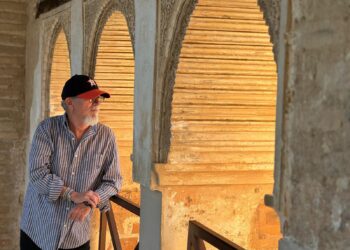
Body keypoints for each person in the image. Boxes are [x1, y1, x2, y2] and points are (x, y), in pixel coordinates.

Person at [20, 75, 122, 250]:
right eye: (91, 99)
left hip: (77, 237)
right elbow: (37, 173)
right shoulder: (47, 129)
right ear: (69, 102)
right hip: (39, 232)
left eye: (99, 99)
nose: (97, 103)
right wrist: (73, 195)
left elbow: (114, 181)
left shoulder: (107, 136)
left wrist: (90, 201)